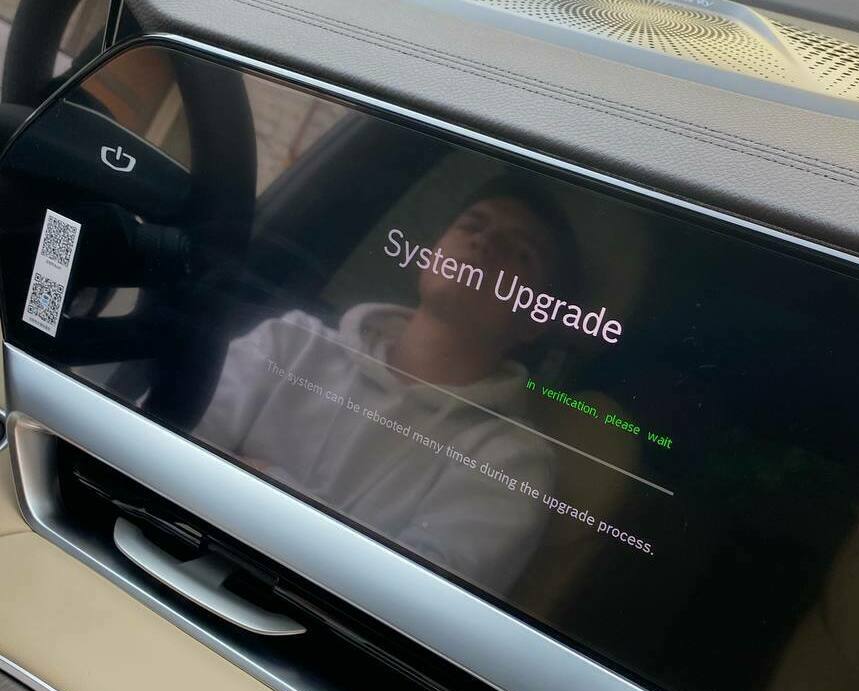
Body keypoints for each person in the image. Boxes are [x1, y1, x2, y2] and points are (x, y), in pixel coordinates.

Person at [195, 177, 579, 594]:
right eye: (473, 225)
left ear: (535, 320)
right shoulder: (292, 341)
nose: (485, 243)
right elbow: (176, 435)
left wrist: (263, 475)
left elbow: (413, 598)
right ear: (429, 256)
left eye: (520, 253)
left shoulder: (513, 460)